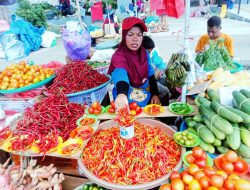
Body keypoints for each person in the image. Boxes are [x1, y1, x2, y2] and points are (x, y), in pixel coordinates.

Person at [108, 17, 161, 109]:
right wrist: (122, 94)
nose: (135, 39)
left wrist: (155, 94)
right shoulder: (118, 56)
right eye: (130, 35)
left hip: (143, 92)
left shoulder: (144, 53)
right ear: (124, 36)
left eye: (139, 35)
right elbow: (120, 74)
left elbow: (150, 74)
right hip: (126, 94)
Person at [142, 35, 170, 105]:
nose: (148, 54)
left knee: (164, 79)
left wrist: (159, 72)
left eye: (149, 52)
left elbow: (156, 68)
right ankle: (162, 108)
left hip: (151, 78)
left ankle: (159, 99)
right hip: (144, 82)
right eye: (148, 52)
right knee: (165, 91)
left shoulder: (150, 55)